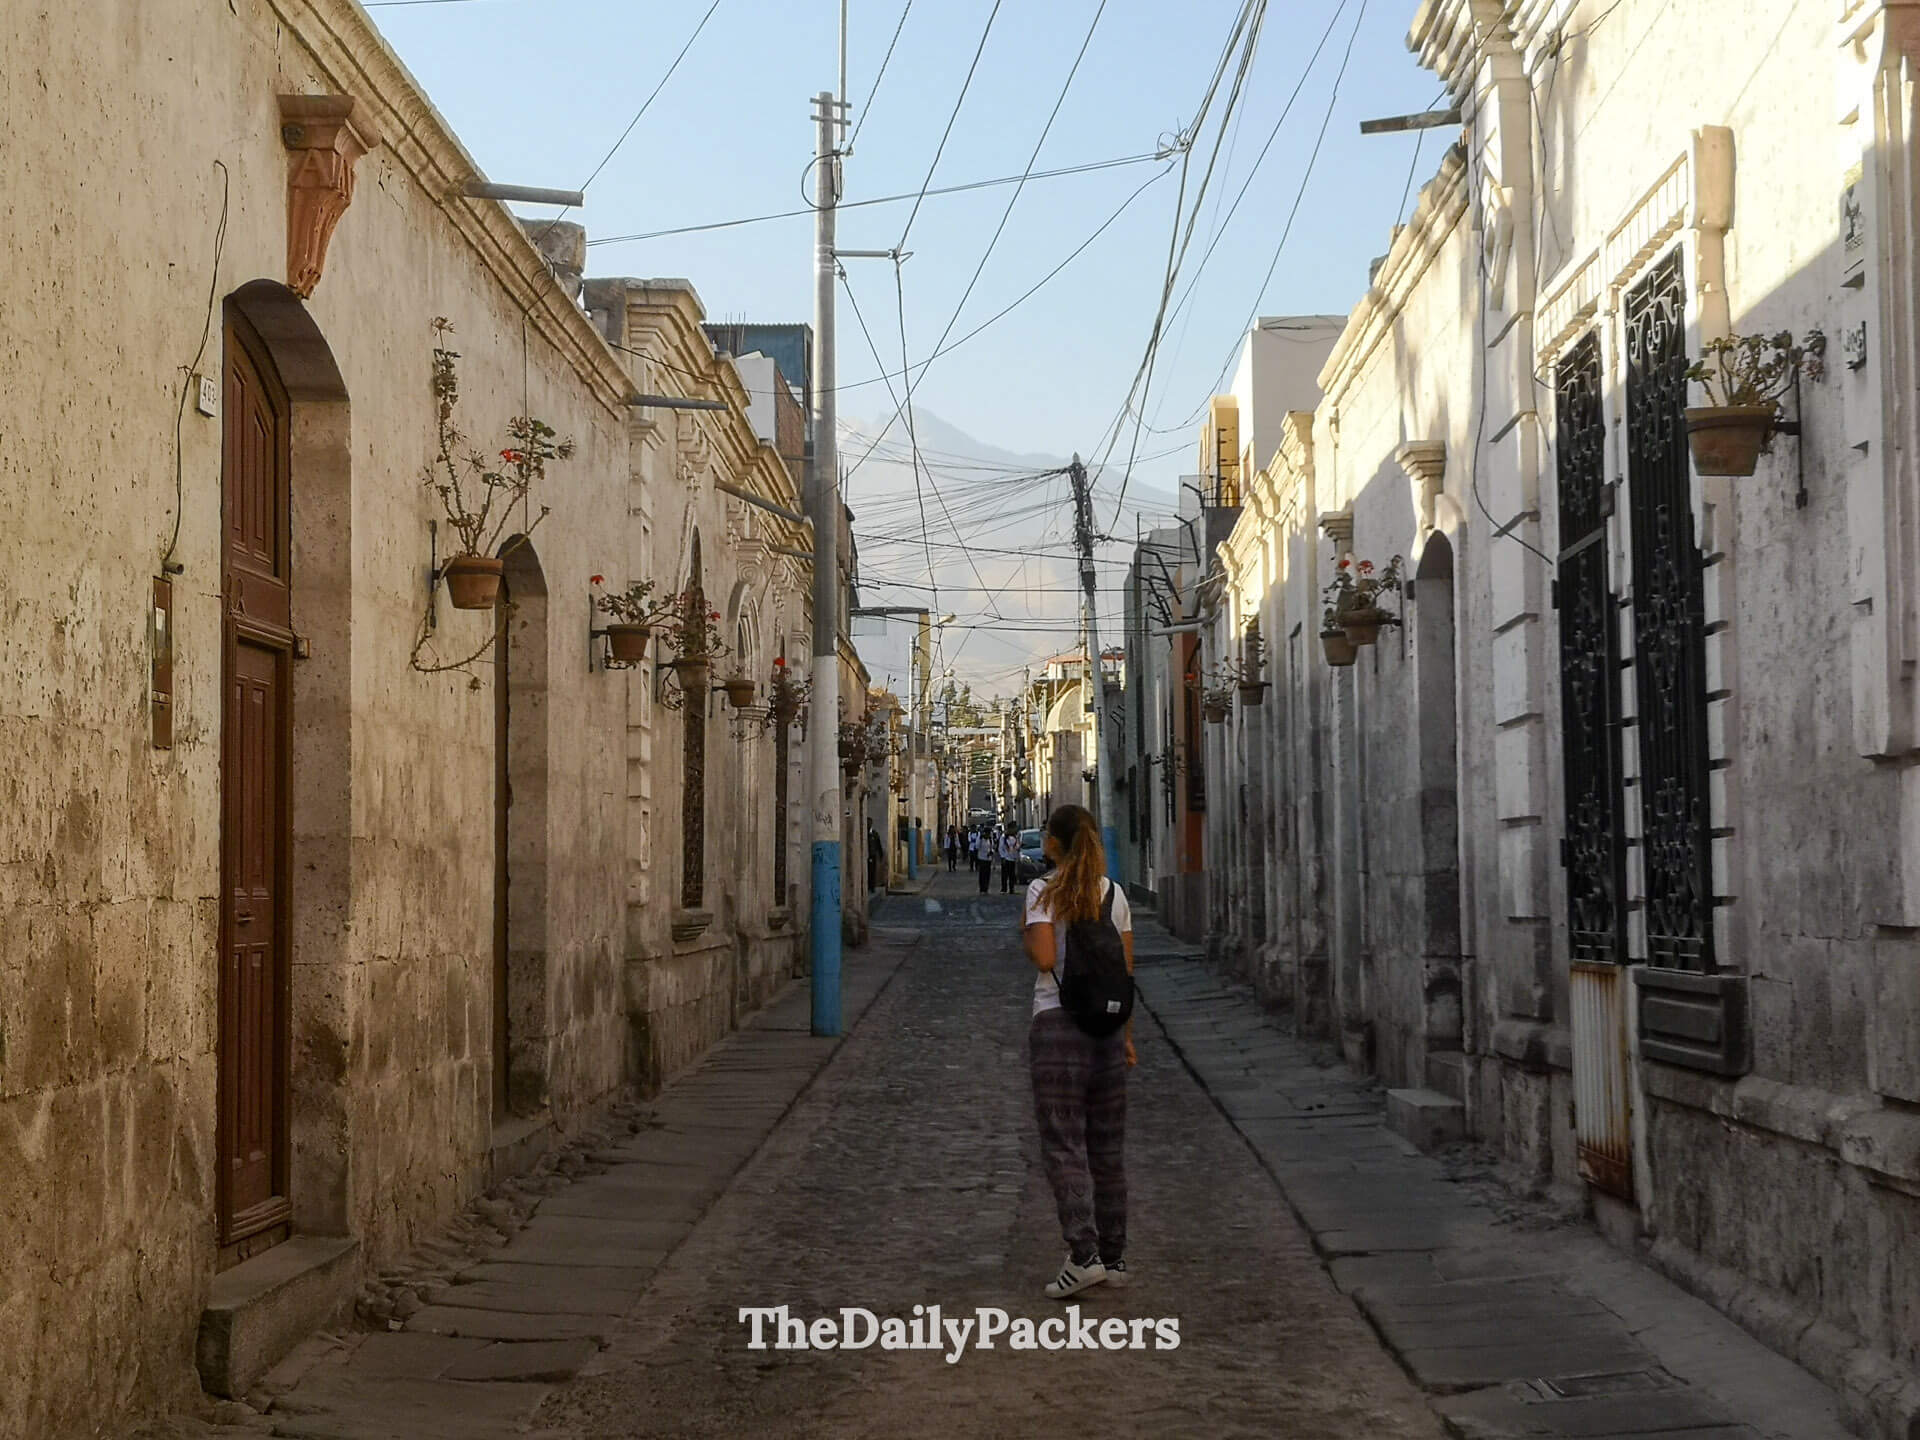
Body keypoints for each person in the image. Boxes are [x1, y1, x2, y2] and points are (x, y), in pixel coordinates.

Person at [1022, 804, 1134, 1299]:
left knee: (1064, 1144)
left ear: (1053, 843)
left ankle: (1082, 1255)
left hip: (1058, 1027)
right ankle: (1114, 1256)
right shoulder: (1115, 895)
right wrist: (1126, 1037)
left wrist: (1028, 935)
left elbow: (1046, 958)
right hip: (1108, 1030)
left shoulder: (1043, 891)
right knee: (1107, 1149)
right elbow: (1125, 973)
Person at [998, 824, 1021, 893]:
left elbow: (1016, 847)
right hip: (1006, 858)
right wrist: (1003, 857)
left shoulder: (1015, 837)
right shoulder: (1003, 837)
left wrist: (1018, 847)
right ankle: (1004, 889)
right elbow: (1001, 848)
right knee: (1005, 874)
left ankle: (1011, 888)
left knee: (1012, 874)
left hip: (1012, 857)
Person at [973, 825, 995, 893]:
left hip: (988, 859)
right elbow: (976, 847)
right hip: (982, 858)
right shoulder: (980, 838)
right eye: (987, 833)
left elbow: (992, 847)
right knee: (982, 874)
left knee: (987, 874)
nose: (988, 835)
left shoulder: (990, 840)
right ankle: (982, 887)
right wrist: (980, 839)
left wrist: (991, 852)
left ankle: (986, 887)